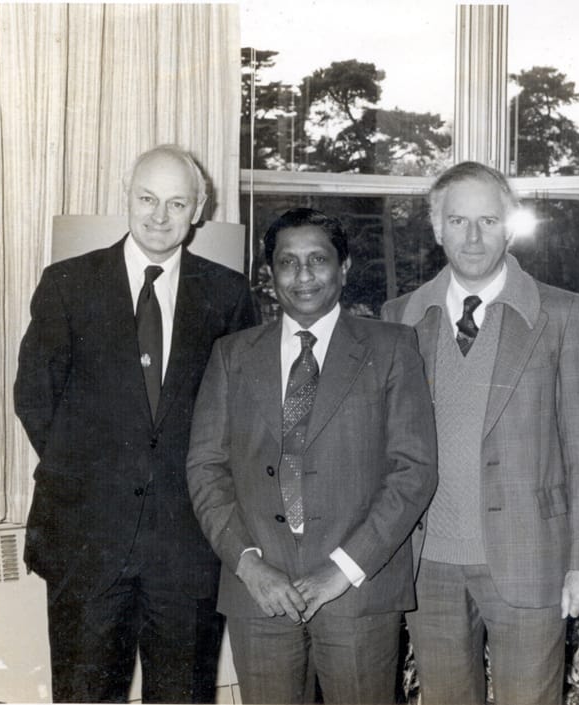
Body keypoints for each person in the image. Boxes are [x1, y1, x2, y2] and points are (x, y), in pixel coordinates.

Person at [14, 144, 256, 703]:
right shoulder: (68, 283)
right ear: (127, 195)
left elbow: (239, 415)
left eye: (176, 203)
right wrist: (95, 478)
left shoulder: (226, 294)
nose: (158, 216)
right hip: (87, 542)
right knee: (84, 694)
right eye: (147, 199)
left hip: (187, 548)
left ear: (198, 211)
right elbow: (35, 397)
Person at [186, 207, 438, 704]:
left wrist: (341, 569)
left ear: (343, 268)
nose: (303, 276)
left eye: (318, 260)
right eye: (287, 262)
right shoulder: (232, 355)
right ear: (270, 273)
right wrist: (251, 566)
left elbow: (413, 471)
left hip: (358, 592)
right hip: (259, 594)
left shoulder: (390, 347)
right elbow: (205, 469)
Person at [382, 161, 579, 705]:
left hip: (531, 557)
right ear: (437, 229)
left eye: (488, 220)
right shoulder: (399, 318)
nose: (474, 236)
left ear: (509, 226)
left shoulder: (558, 313)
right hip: (428, 564)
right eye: (458, 221)